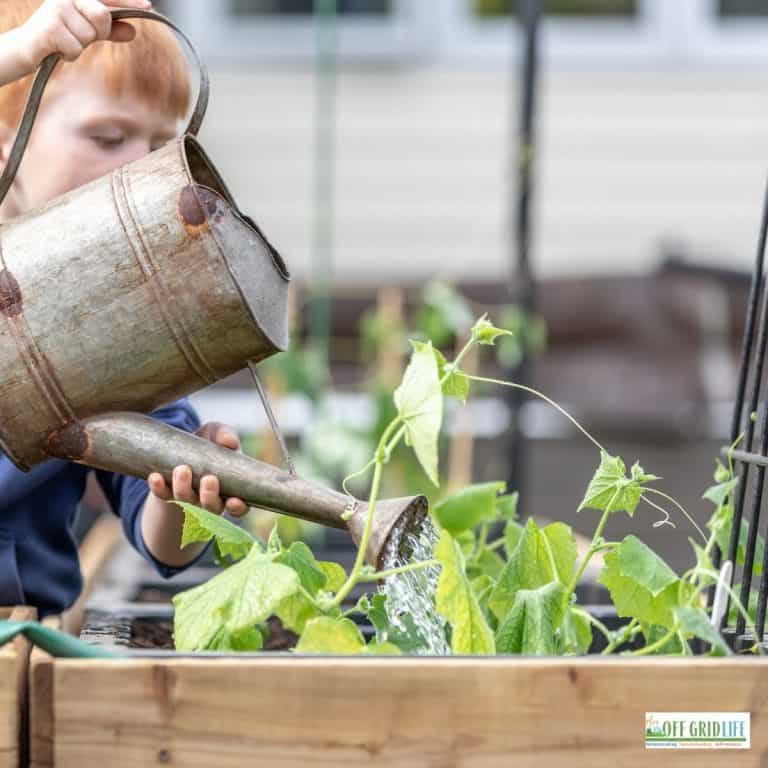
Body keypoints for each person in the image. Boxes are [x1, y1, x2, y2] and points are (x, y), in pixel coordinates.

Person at [0, 0, 248, 617]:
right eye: (108, 137)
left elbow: (157, 534)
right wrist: (20, 53)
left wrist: (181, 498)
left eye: (161, 146)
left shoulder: (123, 319)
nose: (142, 167)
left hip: (18, 646)